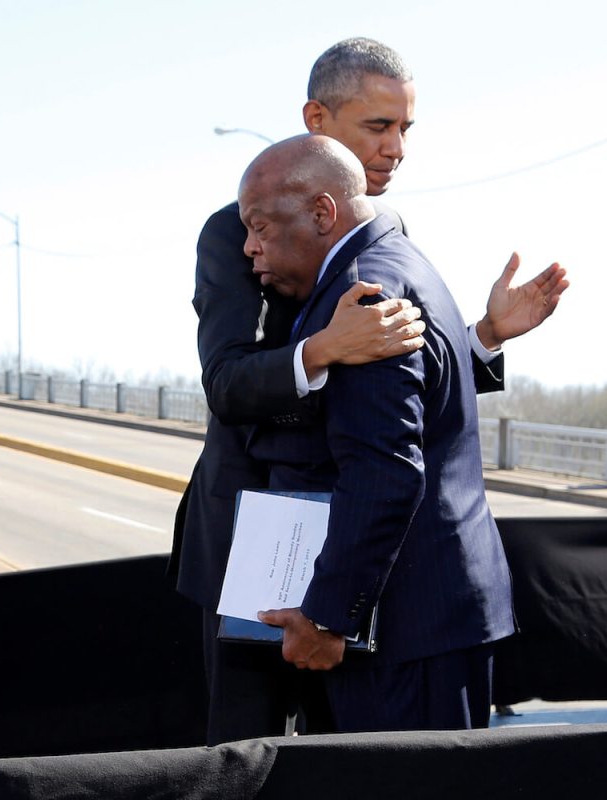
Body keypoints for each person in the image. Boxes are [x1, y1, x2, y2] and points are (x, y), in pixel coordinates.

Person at [169, 37, 568, 744]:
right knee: (247, 756)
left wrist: (482, 338)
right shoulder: (238, 230)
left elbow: (395, 402)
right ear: (317, 122)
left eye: (405, 129)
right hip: (255, 547)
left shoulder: (383, 243)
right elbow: (227, 384)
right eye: (377, 127)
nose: (397, 149)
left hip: (355, 560)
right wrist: (323, 348)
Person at [242, 133, 516, 731]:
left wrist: (329, 618)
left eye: (259, 227)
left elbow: (384, 470)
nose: (249, 248)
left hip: (406, 630)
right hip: (435, 616)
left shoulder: (363, 297)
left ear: (321, 212)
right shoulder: (400, 259)